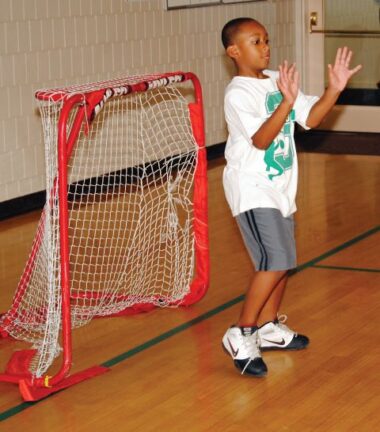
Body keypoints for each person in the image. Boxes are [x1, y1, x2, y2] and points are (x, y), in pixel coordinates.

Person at [220, 17, 362, 377]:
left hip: (280, 187)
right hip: (252, 187)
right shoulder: (237, 93)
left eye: (266, 40)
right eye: (255, 41)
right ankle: (242, 331)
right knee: (276, 261)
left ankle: (267, 326)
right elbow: (261, 139)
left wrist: (334, 90)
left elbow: (311, 118)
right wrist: (285, 102)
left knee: (284, 260)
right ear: (234, 51)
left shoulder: (273, 82)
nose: (265, 47)